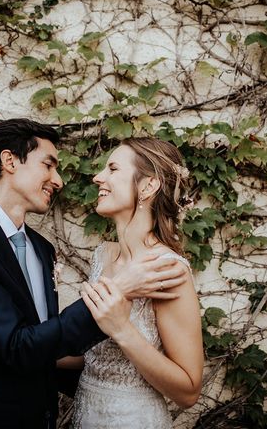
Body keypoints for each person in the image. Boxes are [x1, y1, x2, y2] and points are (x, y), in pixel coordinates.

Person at [0, 119, 190, 429]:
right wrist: (119, 289)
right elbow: (18, 346)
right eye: (48, 166)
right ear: (10, 161)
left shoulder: (42, 249)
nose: (59, 180)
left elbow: (47, 344)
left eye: (113, 169)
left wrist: (115, 392)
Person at [71, 137, 204, 428]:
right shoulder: (103, 255)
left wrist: (121, 329)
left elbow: (189, 391)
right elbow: (95, 358)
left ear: (148, 186)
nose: (98, 177)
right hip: (85, 415)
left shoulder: (166, 269)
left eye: (113, 168)